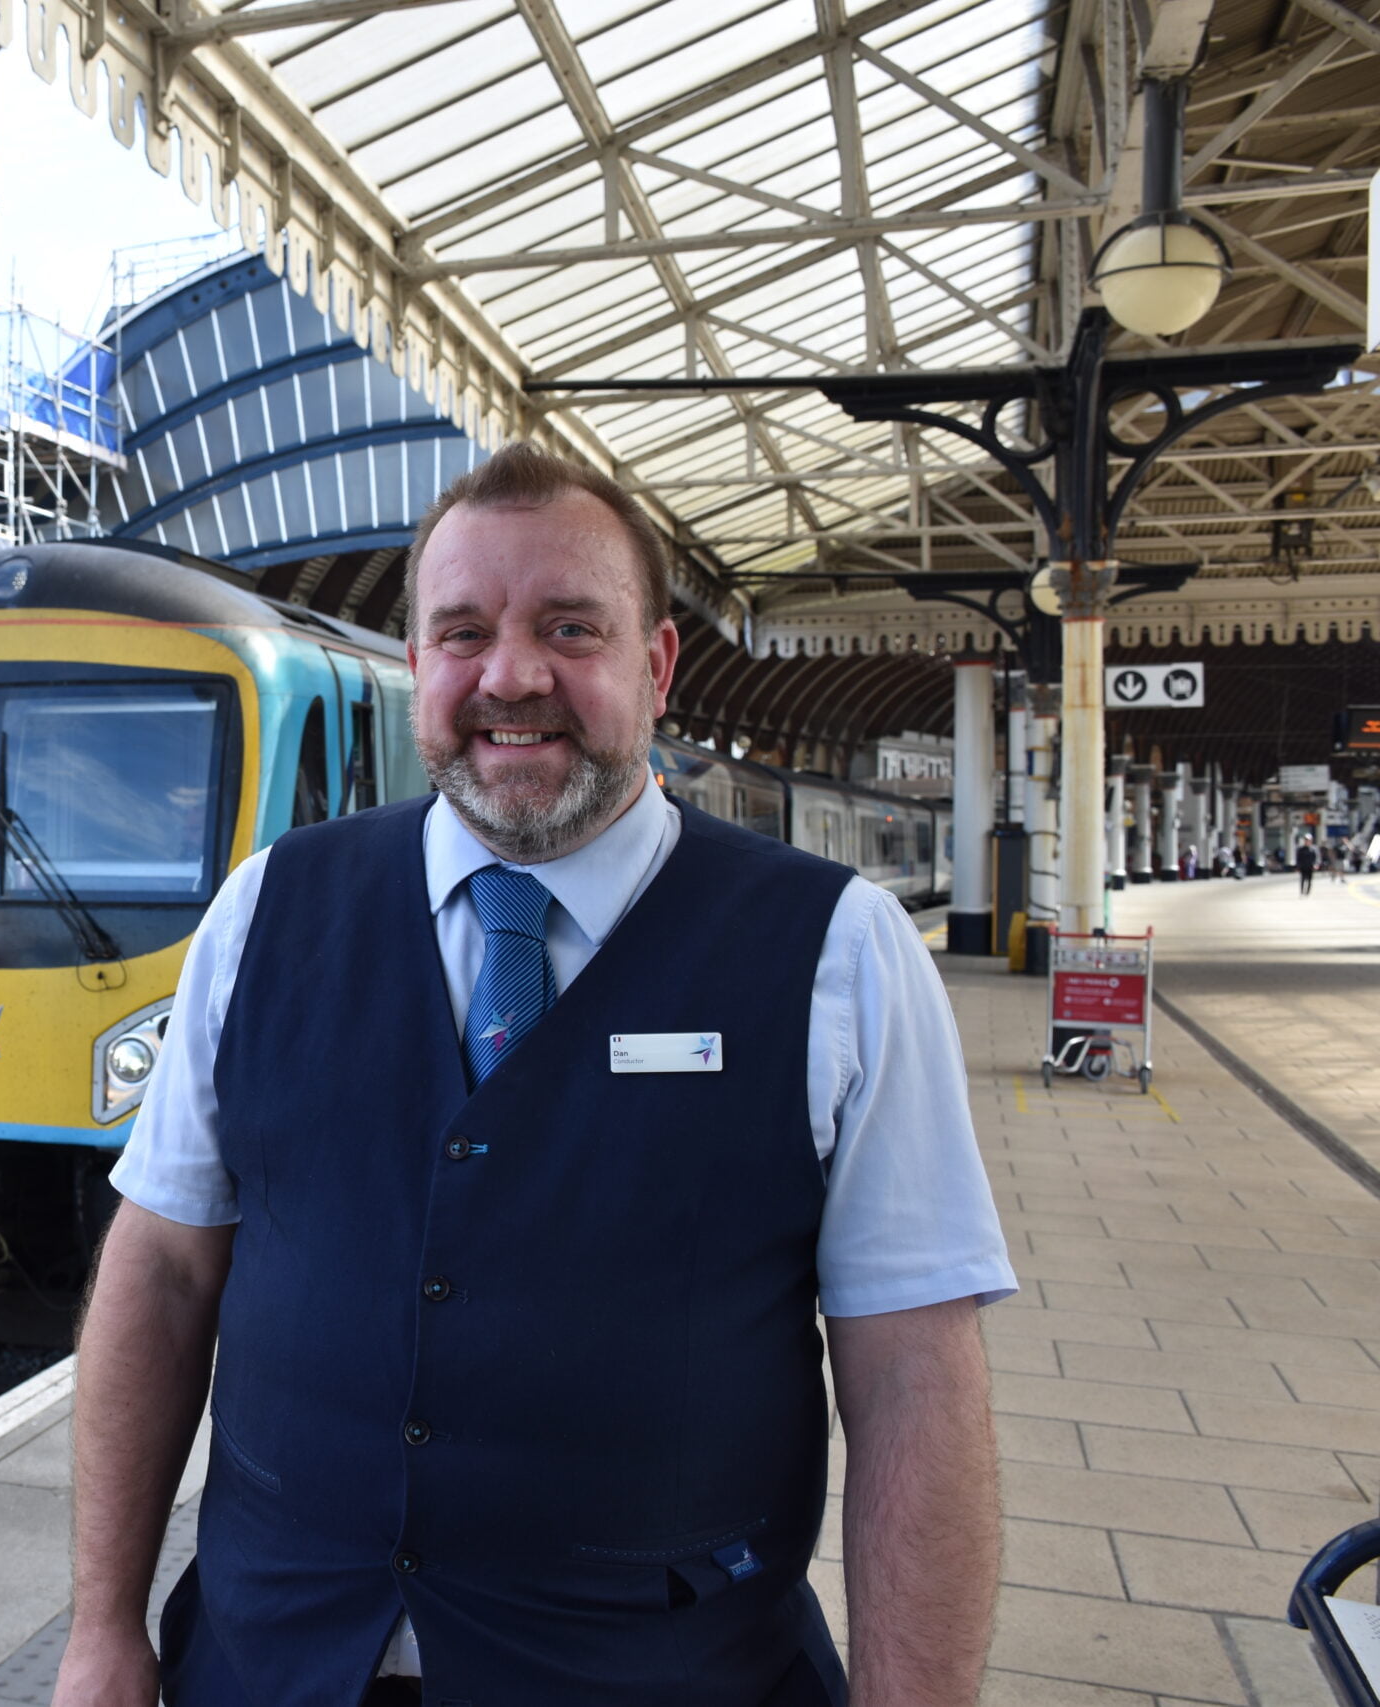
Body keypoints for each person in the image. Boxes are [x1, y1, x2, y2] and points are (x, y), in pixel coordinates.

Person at [59, 447, 1013, 1707]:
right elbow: (166, 1270)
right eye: (461, 633)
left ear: (655, 666)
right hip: (270, 1663)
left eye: (569, 627)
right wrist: (100, 1629)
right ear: (418, 668)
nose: (510, 677)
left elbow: (911, 1376)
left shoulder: (837, 952)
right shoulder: (267, 911)